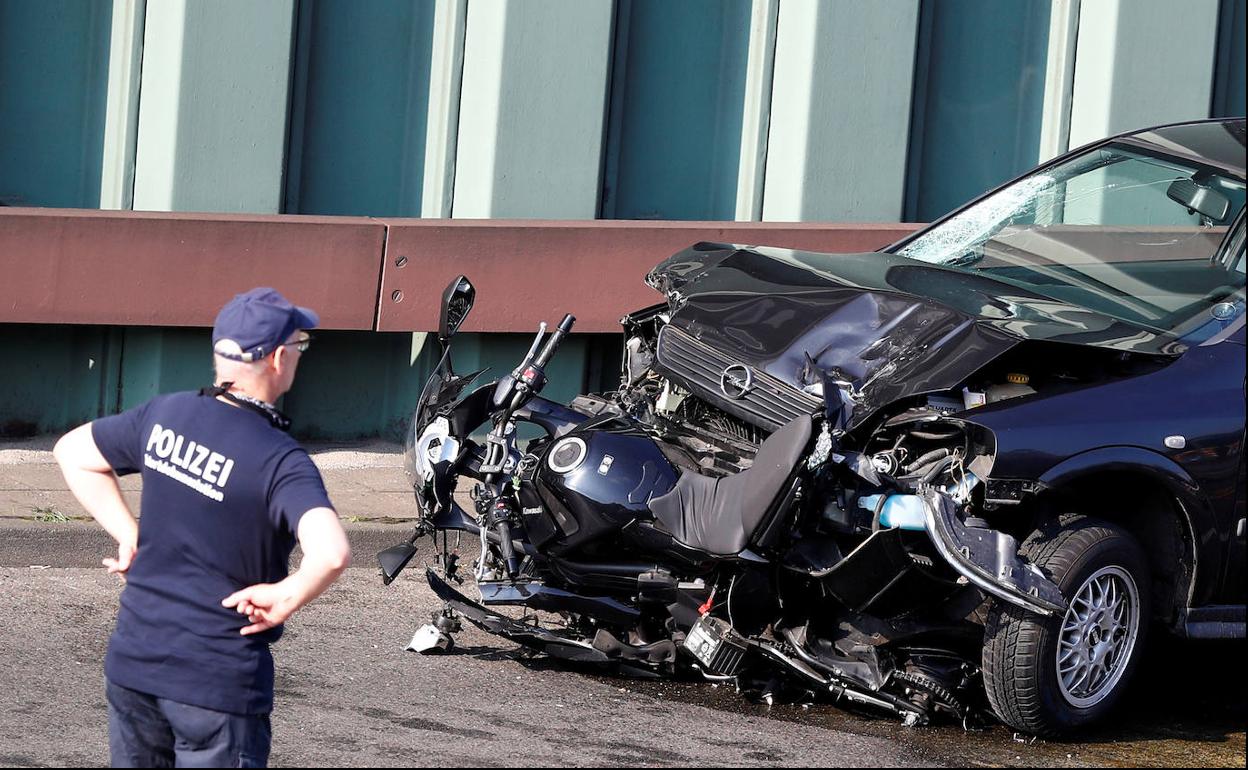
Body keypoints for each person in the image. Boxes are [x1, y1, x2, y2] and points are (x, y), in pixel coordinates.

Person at [53, 287, 351, 768]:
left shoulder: (164, 413)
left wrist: (129, 534)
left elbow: (73, 452)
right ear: (278, 358)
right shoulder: (280, 460)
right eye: (301, 345)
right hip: (216, 686)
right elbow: (332, 552)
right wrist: (288, 596)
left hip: (134, 664)